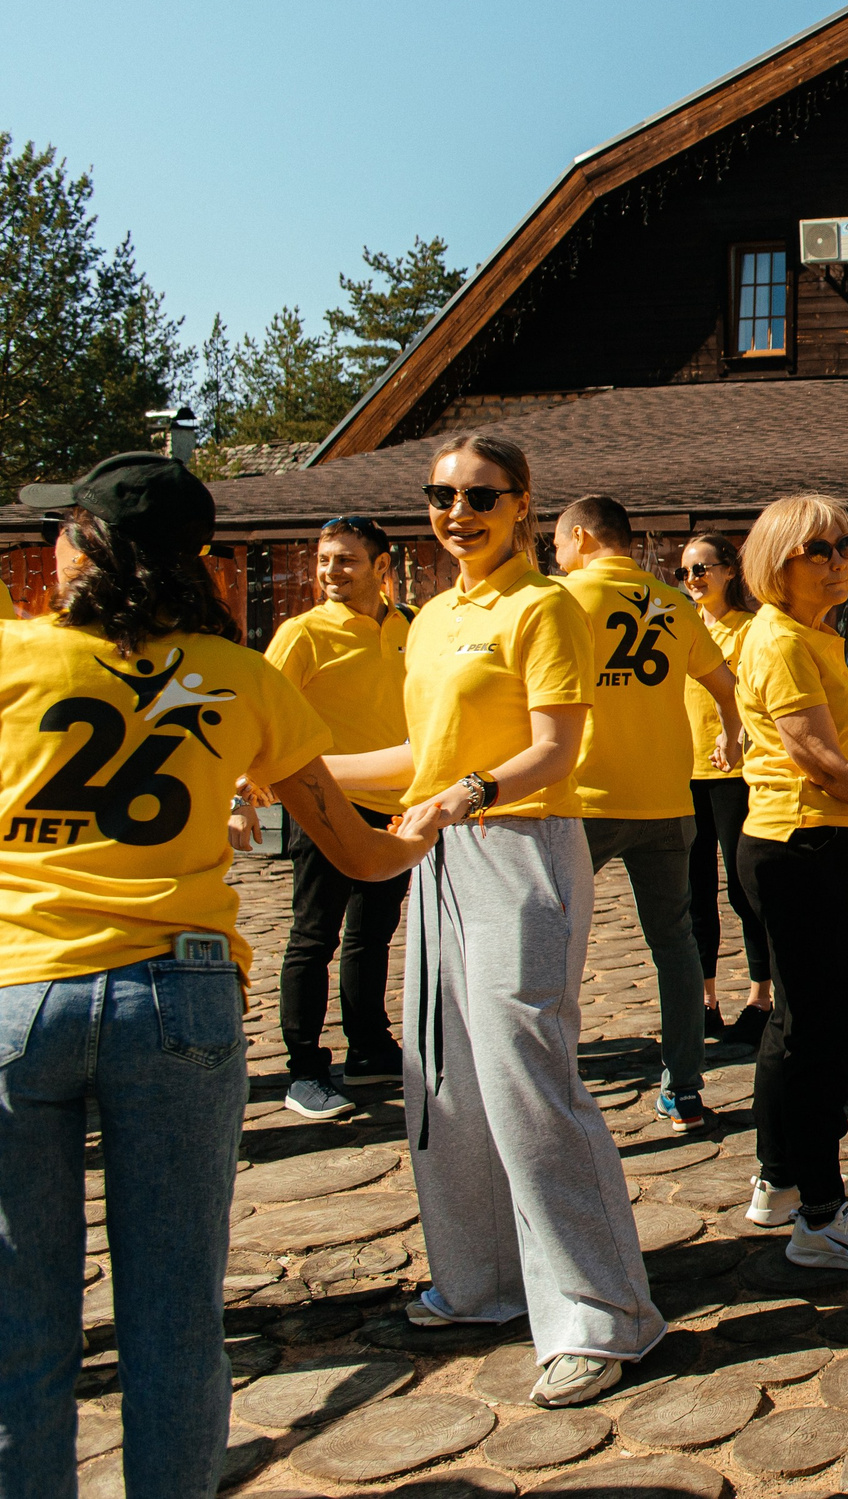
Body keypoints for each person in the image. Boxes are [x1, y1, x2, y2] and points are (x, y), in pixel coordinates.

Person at [1, 454, 429, 1496]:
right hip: (178, 996)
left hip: (17, 992)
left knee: (21, 1318)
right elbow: (360, 852)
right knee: (176, 1317)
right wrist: (430, 817)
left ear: (83, 548)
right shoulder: (241, 677)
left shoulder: (9, 658)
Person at [323, 432, 665, 1408]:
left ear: (523, 504)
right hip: (435, 852)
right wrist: (297, 767)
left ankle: (606, 1315)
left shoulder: (543, 607)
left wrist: (466, 793)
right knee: (445, 1084)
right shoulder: (432, 617)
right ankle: (480, 1285)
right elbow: (415, 755)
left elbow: (556, 749)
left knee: (527, 1083)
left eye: (481, 495)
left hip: (520, 851)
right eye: (441, 494)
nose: (457, 512)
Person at [726, 495, 848, 1270]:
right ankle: (821, 1211)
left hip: (806, 844)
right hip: (795, 846)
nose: (839, 559)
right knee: (822, 1034)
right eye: (819, 549)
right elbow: (821, 761)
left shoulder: (815, 636)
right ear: (779, 561)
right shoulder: (778, 640)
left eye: (847, 544)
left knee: (799, 1026)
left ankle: (779, 1177)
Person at [553, 496, 742, 1132]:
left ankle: (549, 1083)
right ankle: (684, 1088)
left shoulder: (561, 599)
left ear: (580, 538)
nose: (557, 557)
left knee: (557, 947)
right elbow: (723, 684)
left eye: (557, 545)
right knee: (675, 945)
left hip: (584, 799)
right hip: (667, 798)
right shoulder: (674, 603)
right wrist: (733, 733)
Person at [251, 512, 415, 1120]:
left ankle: (369, 1047)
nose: (330, 572)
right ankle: (303, 1069)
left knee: (372, 937)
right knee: (313, 936)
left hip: (395, 806)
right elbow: (260, 710)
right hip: (321, 803)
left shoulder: (410, 628)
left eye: (344, 560)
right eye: (324, 561)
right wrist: (249, 790)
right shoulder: (303, 633)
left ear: (380, 568)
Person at [677, 532, 768, 1045]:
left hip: (734, 773)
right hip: (683, 771)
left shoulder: (750, 630)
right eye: (684, 572)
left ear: (729, 571)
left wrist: (733, 732)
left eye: (702, 569)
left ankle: (760, 996)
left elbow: (756, 698)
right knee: (694, 892)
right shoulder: (680, 627)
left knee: (742, 886)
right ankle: (705, 997)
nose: (692, 580)